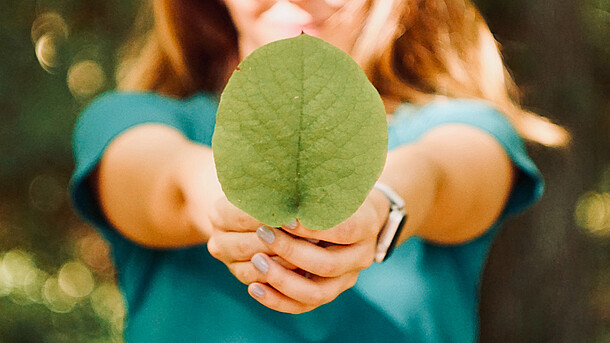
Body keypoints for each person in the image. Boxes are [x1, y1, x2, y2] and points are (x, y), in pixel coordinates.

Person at [70, 0, 568, 342]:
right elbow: (168, 182)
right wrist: (228, 206)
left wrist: (378, 211)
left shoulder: (461, 125)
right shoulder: (131, 119)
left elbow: (440, 175)